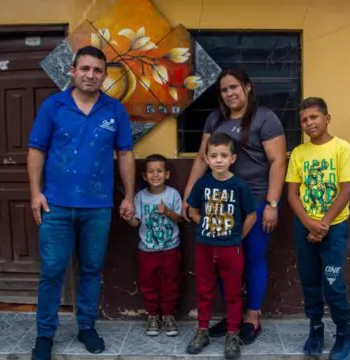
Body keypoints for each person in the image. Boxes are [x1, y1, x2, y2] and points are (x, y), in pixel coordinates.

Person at [27, 45, 136, 360]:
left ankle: (86, 327)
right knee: (52, 270)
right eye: (85, 68)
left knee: (91, 268)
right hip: (56, 206)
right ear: (72, 71)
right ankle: (45, 335)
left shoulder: (114, 110)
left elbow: (126, 154)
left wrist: (128, 195)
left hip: (98, 206)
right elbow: (36, 150)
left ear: (104, 76)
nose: (91, 75)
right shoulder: (53, 106)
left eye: (97, 70)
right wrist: (36, 192)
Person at [182, 67, 287, 343]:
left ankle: (252, 317)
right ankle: (233, 318)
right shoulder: (215, 119)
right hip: (219, 203)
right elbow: (202, 159)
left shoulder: (266, 118)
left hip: (256, 201)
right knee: (221, 261)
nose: (229, 93)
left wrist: (272, 204)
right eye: (224, 89)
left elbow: (278, 161)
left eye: (234, 87)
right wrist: (189, 194)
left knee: (252, 257)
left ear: (247, 87)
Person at [285, 97, 350, 360]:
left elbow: (347, 189)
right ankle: (315, 330)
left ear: (327, 118)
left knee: (333, 283)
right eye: (304, 120)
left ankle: (344, 334)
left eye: (314, 117)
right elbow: (292, 194)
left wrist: (324, 224)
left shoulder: (342, 148)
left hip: (334, 228)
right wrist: (308, 223)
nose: (309, 123)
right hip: (304, 227)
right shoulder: (298, 153)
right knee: (310, 281)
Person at [185, 132, 257, 360]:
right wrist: (207, 224)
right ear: (206, 159)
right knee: (204, 291)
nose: (218, 160)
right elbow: (193, 211)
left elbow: (252, 216)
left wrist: (236, 236)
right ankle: (202, 331)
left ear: (232, 159)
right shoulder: (202, 184)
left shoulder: (239, 186)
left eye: (223, 155)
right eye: (213, 155)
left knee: (233, 293)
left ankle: (232, 334)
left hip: (231, 249)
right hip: (205, 247)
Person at [123, 154, 183, 337]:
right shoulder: (140, 197)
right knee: (148, 284)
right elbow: (136, 223)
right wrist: (128, 219)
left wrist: (168, 212)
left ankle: (168, 316)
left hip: (170, 249)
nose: (155, 175)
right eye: (150, 172)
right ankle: (152, 316)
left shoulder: (173, 194)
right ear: (144, 176)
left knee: (170, 284)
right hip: (147, 250)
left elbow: (180, 219)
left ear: (167, 174)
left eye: (159, 171)